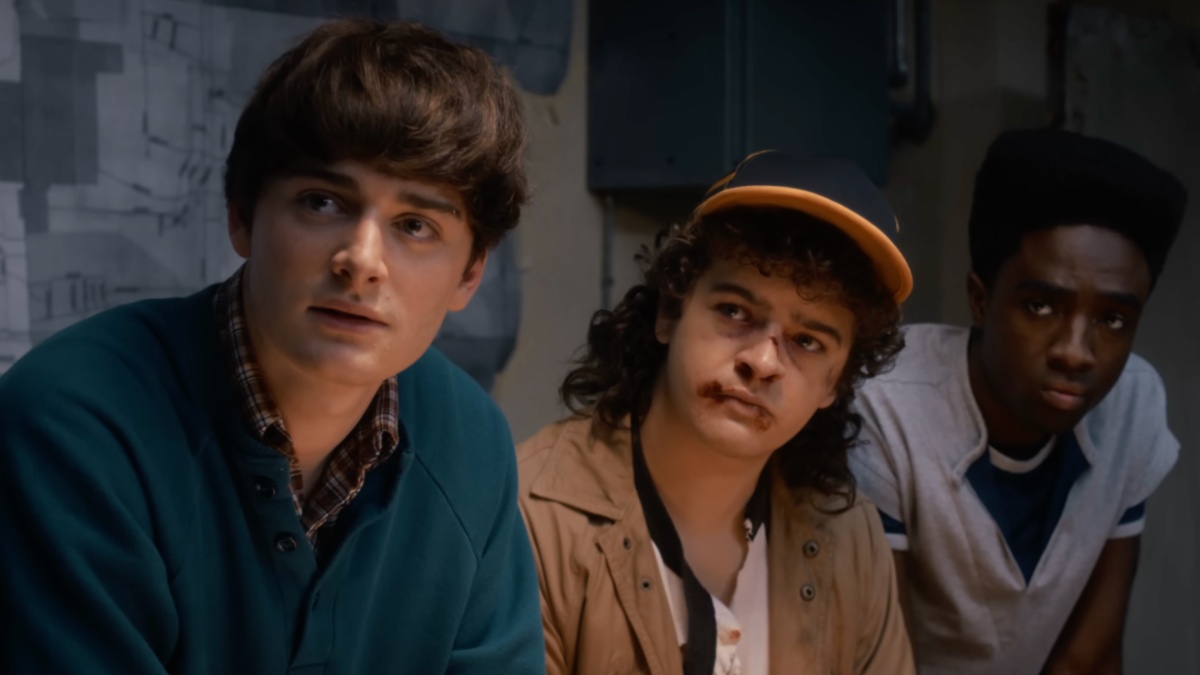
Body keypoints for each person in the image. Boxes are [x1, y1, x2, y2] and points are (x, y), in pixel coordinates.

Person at [0, 19, 545, 674]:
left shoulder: (471, 444)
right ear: (241, 215)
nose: (361, 261)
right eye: (322, 202)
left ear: (470, 273)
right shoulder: (73, 424)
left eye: (415, 224)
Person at [518, 150, 917, 675]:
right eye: (734, 311)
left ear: (834, 384)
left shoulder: (849, 539)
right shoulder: (531, 516)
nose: (763, 362)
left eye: (807, 341)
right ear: (670, 311)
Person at [849, 128, 1189, 675]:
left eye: (1112, 319)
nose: (1076, 352)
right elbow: (882, 662)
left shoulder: (1132, 403)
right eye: (1040, 307)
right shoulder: (886, 407)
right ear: (980, 300)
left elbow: (1090, 660)